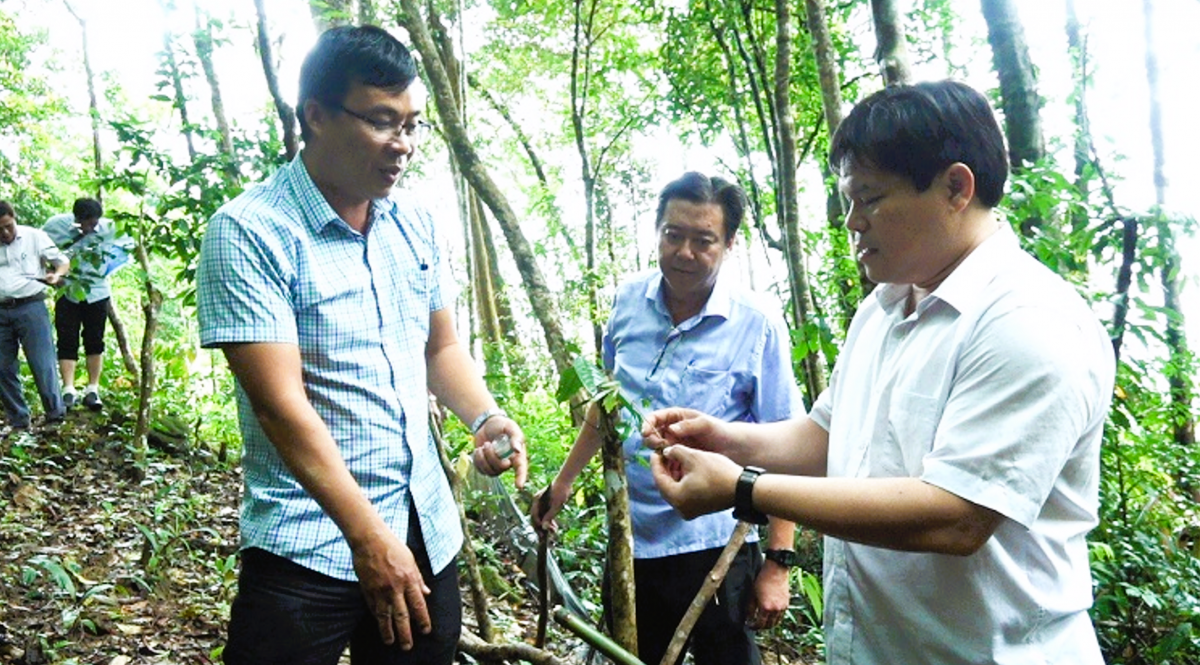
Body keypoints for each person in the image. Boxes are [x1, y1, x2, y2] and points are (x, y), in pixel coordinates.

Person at [645, 80, 1115, 665]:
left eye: (868, 199)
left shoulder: (1029, 320)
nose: (851, 222)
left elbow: (958, 518)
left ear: (955, 187)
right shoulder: (885, 307)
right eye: (848, 202)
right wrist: (721, 437)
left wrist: (742, 488)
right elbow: (826, 436)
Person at [196, 25, 526, 665]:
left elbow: (439, 348)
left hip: (423, 526)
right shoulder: (249, 231)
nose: (402, 146)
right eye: (381, 122)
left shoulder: (415, 222)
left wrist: (484, 417)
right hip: (304, 544)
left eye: (412, 125)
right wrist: (367, 535)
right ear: (315, 116)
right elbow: (279, 406)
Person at [532, 172, 804, 665]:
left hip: (717, 541)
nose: (684, 252)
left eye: (703, 241)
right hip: (632, 539)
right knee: (633, 655)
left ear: (728, 245)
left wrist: (779, 562)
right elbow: (608, 404)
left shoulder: (756, 322)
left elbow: (785, 442)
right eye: (673, 235)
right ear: (657, 231)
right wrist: (564, 482)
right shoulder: (629, 302)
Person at [43, 197, 131, 411]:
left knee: (94, 339)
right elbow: (40, 249)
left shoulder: (111, 229)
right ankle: (69, 390)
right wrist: (52, 274)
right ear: (76, 218)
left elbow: (128, 248)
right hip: (67, 291)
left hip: (97, 291)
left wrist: (107, 269)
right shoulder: (55, 226)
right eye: (85, 222)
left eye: (93, 223)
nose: (89, 227)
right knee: (67, 339)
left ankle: (92, 389)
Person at [0, 201, 68, 429]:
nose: (5, 233)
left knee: (42, 361)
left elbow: (62, 261)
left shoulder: (34, 237)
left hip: (31, 306)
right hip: (0, 310)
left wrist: (56, 275)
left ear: (13, 217)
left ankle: (55, 414)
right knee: (2, 367)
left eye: (8, 226)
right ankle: (18, 420)